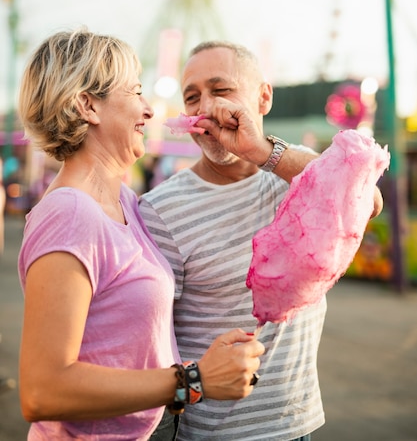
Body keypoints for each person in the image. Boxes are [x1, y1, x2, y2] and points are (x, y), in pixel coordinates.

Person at [17, 30, 264, 440]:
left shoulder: (127, 203)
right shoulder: (69, 214)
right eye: (134, 91)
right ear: (87, 105)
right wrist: (192, 379)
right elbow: (43, 390)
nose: (149, 110)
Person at [139, 40, 384, 441]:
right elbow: (153, 338)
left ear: (263, 97)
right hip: (207, 433)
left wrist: (261, 152)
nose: (205, 108)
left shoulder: (294, 168)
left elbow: (368, 199)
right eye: (192, 97)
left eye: (221, 91)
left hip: (297, 424)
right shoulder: (160, 209)